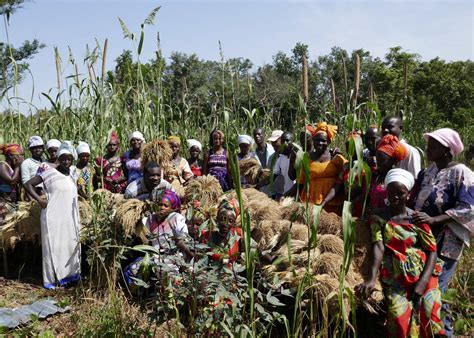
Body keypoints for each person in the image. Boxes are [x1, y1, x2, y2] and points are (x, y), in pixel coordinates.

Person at [356, 168, 445, 337]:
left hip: (423, 273)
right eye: (391, 192)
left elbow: (432, 251)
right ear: (386, 192)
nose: (395, 197)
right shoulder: (379, 218)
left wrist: (423, 281)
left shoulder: (417, 219)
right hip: (395, 275)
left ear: (409, 194)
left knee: (430, 316)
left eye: (400, 193)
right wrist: (371, 278)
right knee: (399, 321)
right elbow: (378, 246)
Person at [410, 128, 473, 336]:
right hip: (422, 239)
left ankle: (444, 332)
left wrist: (434, 219)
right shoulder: (426, 173)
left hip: (446, 243)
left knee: (436, 292)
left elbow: (468, 208)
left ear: (447, 150)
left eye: (433, 146)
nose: (428, 149)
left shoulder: (461, 173)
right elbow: (412, 201)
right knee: (423, 291)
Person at [24, 142, 81, 289]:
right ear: (59, 158)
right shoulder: (48, 172)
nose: (66, 161)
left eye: (69, 159)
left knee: (69, 245)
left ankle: (69, 276)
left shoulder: (72, 174)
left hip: (69, 217)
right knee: (53, 246)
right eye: (63, 158)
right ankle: (53, 280)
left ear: (72, 160)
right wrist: (39, 200)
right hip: (53, 217)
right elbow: (28, 185)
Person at [123, 189, 192, 286]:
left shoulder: (177, 219)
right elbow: (143, 238)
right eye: (159, 205)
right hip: (153, 256)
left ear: (172, 208)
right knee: (132, 271)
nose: (162, 208)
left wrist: (179, 242)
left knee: (171, 279)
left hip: (173, 256)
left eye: (165, 206)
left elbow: (184, 242)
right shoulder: (149, 219)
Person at [291, 123, 346, 214]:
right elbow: (300, 184)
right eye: (317, 140)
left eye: (323, 141)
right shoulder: (306, 159)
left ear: (329, 142)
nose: (320, 143)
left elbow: (347, 172)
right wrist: (284, 196)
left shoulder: (336, 158)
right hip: (311, 204)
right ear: (313, 140)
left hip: (332, 205)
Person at [369, 134, 408, 212]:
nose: (378, 164)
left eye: (382, 160)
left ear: (393, 160)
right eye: (377, 160)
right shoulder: (376, 176)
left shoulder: (398, 180)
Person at [203, 198, 243, 265]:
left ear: (234, 223)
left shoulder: (237, 234)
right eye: (222, 219)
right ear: (217, 219)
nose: (225, 224)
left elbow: (254, 247)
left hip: (233, 273)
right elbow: (202, 260)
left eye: (230, 221)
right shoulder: (207, 236)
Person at [0, 144, 24, 222]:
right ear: (10, 156)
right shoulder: (2, 166)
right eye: (19, 155)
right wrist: (17, 166)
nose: (21, 158)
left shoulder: (13, 168)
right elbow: (12, 181)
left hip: (12, 203)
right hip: (4, 204)